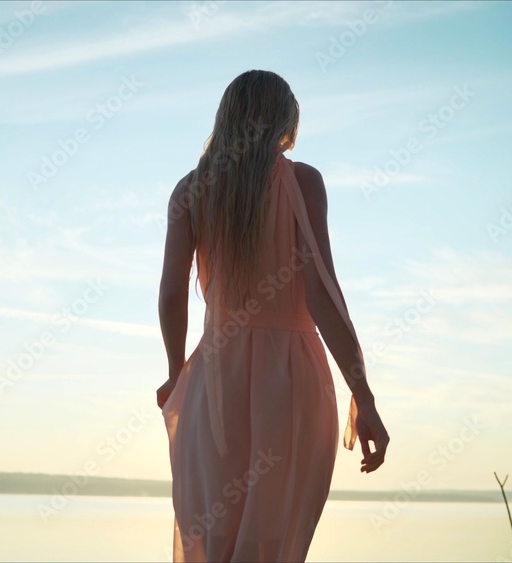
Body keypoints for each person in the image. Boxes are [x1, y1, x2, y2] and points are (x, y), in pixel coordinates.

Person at [156, 70, 390, 562]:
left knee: (215, 534)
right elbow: (323, 294)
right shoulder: (303, 181)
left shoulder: (192, 189)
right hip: (291, 378)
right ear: (285, 119)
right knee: (276, 539)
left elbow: (173, 293)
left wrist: (176, 371)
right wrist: (362, 394)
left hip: (215, 377)